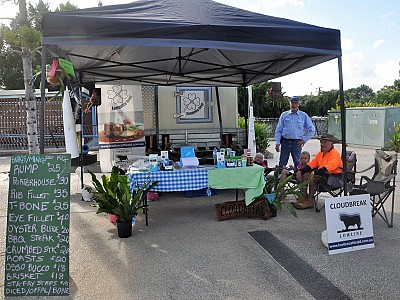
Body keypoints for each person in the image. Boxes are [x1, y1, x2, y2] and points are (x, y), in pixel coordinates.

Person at [293, 133, 342, 209]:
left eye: (325, 142)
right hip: (324, 175)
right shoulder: (321, 153)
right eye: (321, 142)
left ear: (331, 143)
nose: (322, 144)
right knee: (305, 173)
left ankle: (310, 200)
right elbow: (312, 164)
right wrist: (300, 171)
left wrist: (314, 172)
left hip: (333, 178)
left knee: (314, 177)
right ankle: (304, 197)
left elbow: (327, 168)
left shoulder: (334, 154)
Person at [275, 96, 315, 169]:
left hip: (297, 143)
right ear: (289, 103)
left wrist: (304, 140)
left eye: (296, 103)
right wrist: (277, 142)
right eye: (292, 103)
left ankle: (298, 179)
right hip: (285, 142)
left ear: (298, 104)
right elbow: (279, 130)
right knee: (282, 163)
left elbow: (312, 129)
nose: (294, 105)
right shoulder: (284, 115)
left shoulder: (303, 115)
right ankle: (281, 179)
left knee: (298, 164)